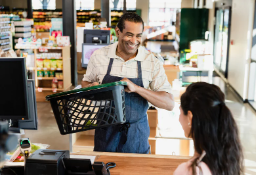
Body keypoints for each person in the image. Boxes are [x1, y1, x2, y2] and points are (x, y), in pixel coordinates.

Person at [82, 12, 174, 154]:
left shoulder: (151, 61)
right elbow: (86, 82)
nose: (134, 40)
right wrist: (90, 88)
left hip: (136, 137)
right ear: (118, 32)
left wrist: (137, 89)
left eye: (138, 35)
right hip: (105, 135)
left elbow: (169, 103)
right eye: (129, 34)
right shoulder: (99, 56)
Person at [174, 82, 243, 175]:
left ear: (190, 117)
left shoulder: (190, 171)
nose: (179, 119)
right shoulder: (228, 159)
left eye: (180, 112)